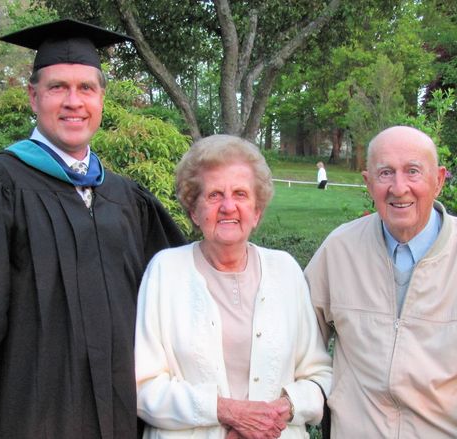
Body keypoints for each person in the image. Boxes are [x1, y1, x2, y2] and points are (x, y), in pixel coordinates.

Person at [0, 19, 185, 438]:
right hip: (26, 419)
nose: (74, 102)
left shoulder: (128, 200)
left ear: (102, 97)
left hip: (120, 420)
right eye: (57, 87)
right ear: (33, 96)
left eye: (86, 88)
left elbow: (174, 304)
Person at [304, 126, 457, 438]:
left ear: (439, 180)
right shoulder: (339, 251)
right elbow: (298, 346)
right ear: (369, 182)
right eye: (385, 173)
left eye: (413, 171)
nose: (399, 187)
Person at [135, 135, 332, 439]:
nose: (228, 206)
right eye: (214, 195)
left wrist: (273, 415)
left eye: (240, 194)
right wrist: (229, 412)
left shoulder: (285, 270)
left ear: (257, 211)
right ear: (193, 211)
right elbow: (144, 387)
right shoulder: (165, 271)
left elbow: (318, 375)